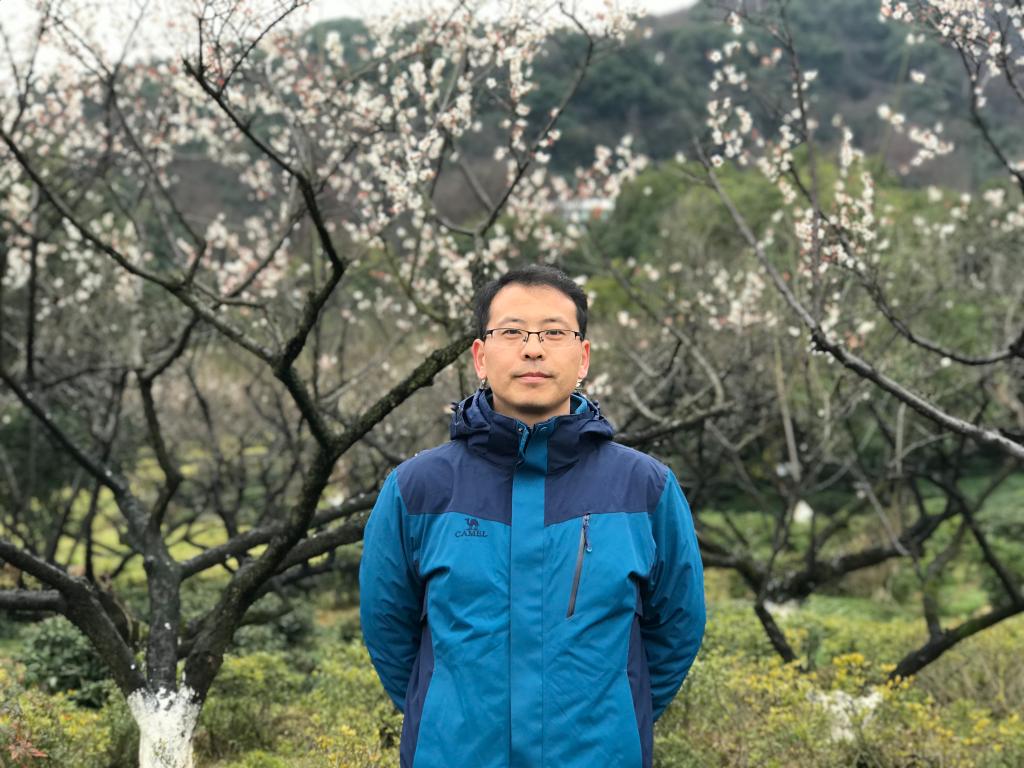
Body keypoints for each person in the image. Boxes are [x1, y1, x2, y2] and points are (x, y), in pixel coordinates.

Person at [359, 265, 706, 768]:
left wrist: (616, 718)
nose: (533, 349)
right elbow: (387, 629)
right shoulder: (417, 489)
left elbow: (677, 626)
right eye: (513, 332)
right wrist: (442, 717)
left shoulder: (645, 487)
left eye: (554, 333)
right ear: (480, 356)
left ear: (583, 357)